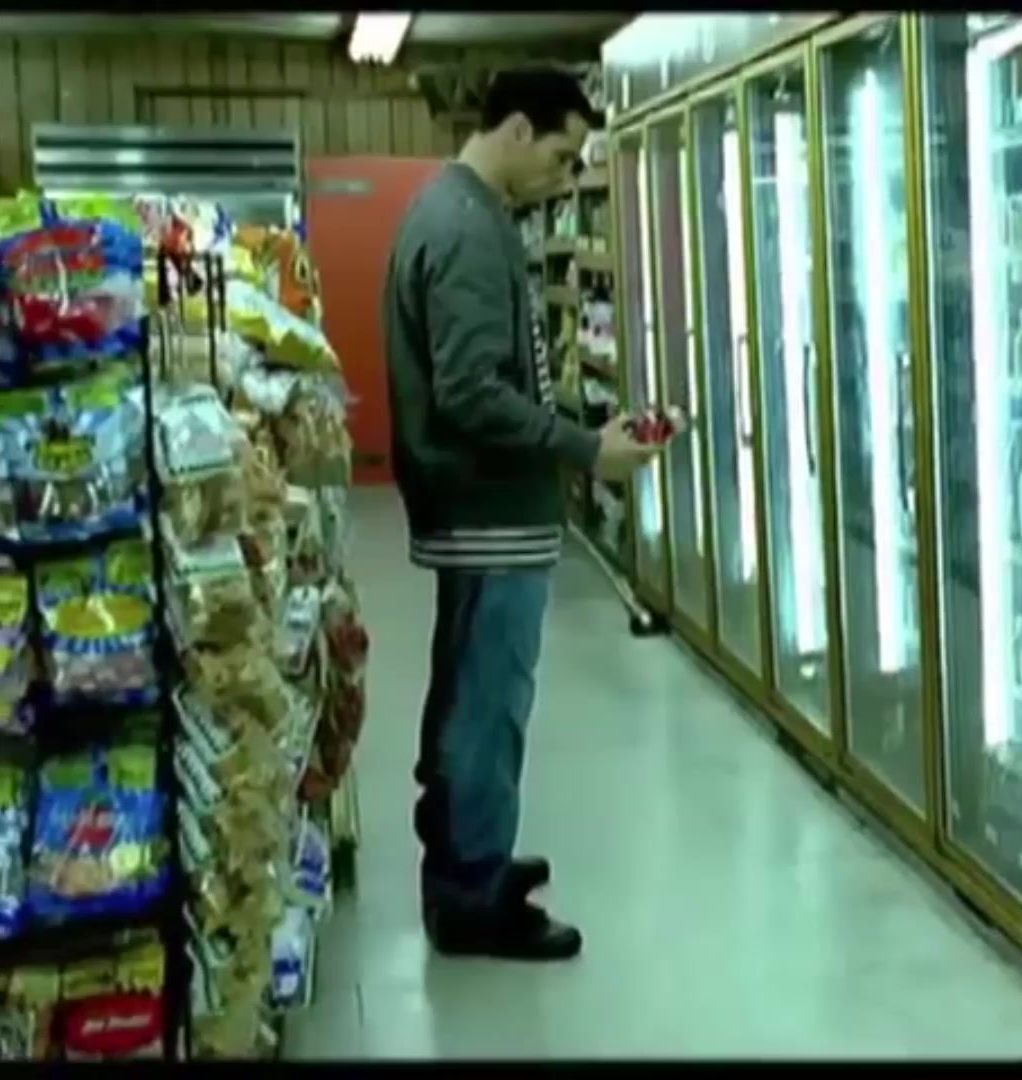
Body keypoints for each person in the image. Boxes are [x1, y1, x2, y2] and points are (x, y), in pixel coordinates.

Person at [384, 66, 656, 961]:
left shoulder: (467, 213)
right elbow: (469, 392)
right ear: (515, 130)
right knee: (486, 706)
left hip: (487, 514)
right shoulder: (465, 228)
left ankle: (471, 857)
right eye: (562, 155)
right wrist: (584, 448)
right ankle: (472, 893)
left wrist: (576, 434)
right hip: (487, 517)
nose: (566, 175)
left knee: (473, 697)